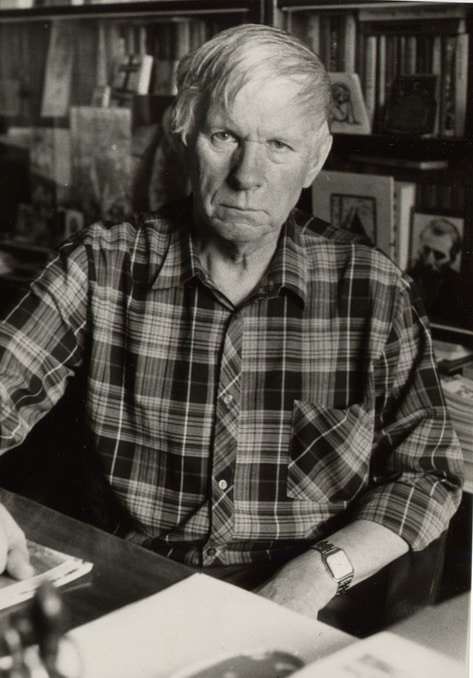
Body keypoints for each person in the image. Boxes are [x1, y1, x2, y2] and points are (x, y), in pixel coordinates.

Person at [0, 24, 463, 621]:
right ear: (185, 135)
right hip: (136, 582)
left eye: (280, 145)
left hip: (311, 596)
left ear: (316, 158)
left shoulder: (372, 289)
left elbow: (428, 472)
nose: (248, 175)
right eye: (225, 136)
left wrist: (318, 573)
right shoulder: (100, 266)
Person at [407, 217, 464, 327]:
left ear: (451, 259)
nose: (429, 261)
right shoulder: (408, 277)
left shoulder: (461, 291)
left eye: (439, 255)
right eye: (426, 250)